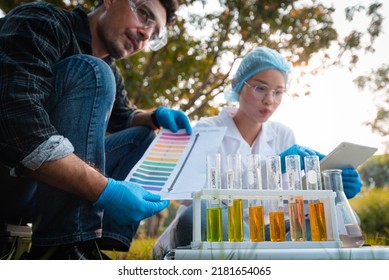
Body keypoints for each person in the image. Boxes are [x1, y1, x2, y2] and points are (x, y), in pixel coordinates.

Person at [0, 0, 192, 259]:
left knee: (142, 136)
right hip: (9, 173)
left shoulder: (110, 70)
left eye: (155, 34)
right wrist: (106, 191)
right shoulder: (44, 21)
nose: (146, 34)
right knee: (93, 71)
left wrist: (155, 116)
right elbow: (17, 120)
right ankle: (64, 248)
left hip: (39, 192)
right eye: (144, 13)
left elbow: (124, 116)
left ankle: (93, 243)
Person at [152, 46, 363, 258]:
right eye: (260, 88)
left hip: (270, 232)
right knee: (202, 214)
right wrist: (267, 170)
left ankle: (263, 258)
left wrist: (332, 189)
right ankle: (267, 260)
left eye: (278, 92)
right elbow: (188, 197)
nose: (269, 100)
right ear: (238, 86)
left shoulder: (283, 134)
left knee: (337, 216)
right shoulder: (207, 130)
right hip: (219, 229)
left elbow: (296, 202)